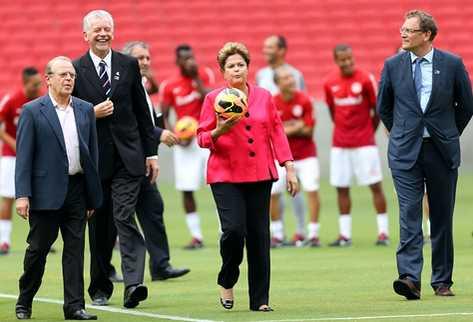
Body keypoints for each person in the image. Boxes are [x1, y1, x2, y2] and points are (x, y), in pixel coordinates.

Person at [378, 10, 473, 299]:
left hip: (441, 151)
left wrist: (445, 133)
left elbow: (466, 106)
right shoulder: (392, 65)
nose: (403, 34)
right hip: (405, 152)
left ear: (427, 35)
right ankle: (409, 278)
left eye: (409, 30)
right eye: (402, 29)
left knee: (442, 216)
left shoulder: (452, 64)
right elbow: (384, 107)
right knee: (409, 214)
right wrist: (403, 133)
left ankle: (442, 280)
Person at [198, 42, 298, 312]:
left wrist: (288, 166)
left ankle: (260, 300)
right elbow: (202, 138)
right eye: (231, 66)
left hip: (259, 174)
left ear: (247, 67)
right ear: (223, 71)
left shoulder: (264, 96)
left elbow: (276, 131)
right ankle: (227, 278)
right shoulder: (213, 99)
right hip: (225, 175)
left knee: (258, 236)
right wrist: (219, 130)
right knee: (233, 231)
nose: (237, 69)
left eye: (240, 64)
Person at [72, 10, 159, 308]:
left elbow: (142, 111)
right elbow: (67, 114)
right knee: (100, 226)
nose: (103, 33)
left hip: (129, 158)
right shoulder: (75, 68)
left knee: (124, 216)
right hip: (94, 161)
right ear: (85, 35)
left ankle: (133, 283)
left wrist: (151, 152)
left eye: (107, 28)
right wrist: (90, 113)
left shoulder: (128, 64)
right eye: (96, 29)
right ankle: (99, 285)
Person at [15, 56, 101, 320]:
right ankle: (25, 300)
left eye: (72, 75)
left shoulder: (86, 109)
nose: (68, 79)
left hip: (77, 189)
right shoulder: (32, 110)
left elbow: (92, 153)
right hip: (45, 192)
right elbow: (24, 156)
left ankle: (75, 307)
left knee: (75, 251)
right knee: (38, 250)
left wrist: (91, 195)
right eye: (63, 75)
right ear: (48, 79)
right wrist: (22, 195)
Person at [122, 41, 190, 281]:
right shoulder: (123, 88)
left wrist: (162, 132)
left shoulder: (143, 86)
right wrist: (159, 133)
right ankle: (107, 270)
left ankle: (160, 265)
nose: (145, 62)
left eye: (147, 58)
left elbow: (153, 117)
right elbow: (130, 124)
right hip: (124, 166)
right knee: (117, 220)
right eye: (139, 58)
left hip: (144, 163)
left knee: (153, 210)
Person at [323, 44, 389, 247]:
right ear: (336, 60)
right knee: (341, 187)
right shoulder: (329, 82)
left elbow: (376, 110)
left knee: (375, 185)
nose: (347, 62)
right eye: (343, 59)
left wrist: (369, 131)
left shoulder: (365, 79)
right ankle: (345, 235)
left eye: (350, 58)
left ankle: (383, 233)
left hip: (364, 143)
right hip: (340, 144)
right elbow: (333, 112)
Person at [159, 44, 214, 249]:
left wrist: (196, 78)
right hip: (186, 143)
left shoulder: (204, 75)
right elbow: (163, 115)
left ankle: (225, 231)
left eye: (191, 57)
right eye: (185, 58)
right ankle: (196, 236)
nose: (189, 61)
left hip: (208, 139)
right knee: (187, 188)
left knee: (219, 185)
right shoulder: (169, 85)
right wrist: (176, 136)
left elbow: (212, 99)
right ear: (177, 61)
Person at [256, 35, 307, 246]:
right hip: (266, 139)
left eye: (270, 47)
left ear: (282, 50)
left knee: (295, 185)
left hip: (291, 140)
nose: (265, 50)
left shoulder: (295, 74)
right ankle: (277, 232)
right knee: (273, 188)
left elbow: (302, 105)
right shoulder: (261, 75)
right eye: (264, 47)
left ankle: (302, 230)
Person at [271, 66, 321, 247]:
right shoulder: (272, 102)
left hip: (306, 155)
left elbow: (308, 130)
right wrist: (295, 126)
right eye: (285, 78)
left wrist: (284, 129)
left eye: (291, 77)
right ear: (277, 83)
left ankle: (313, 234)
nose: (290, 81)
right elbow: (271, 132)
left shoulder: (305, 100)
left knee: (312, 190)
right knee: (273, 193)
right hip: (281, 156)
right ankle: (277, 235)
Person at [0, 67, 42, 255]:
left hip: (35, 156)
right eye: (35, 84)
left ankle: (39, 240)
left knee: (39, 197)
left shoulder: (40, 101)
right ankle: (4, 241)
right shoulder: (11, 100)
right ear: (25, 83)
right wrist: (16, 145)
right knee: (9, 196)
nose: (38, 87)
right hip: (11, 155)